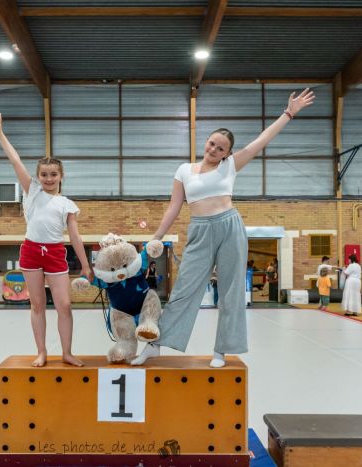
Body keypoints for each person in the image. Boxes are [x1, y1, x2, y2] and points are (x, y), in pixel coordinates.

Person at [132, 88, 315, 368]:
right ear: (206, 141)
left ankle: (222, 350)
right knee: (184, 289)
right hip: (200, 230)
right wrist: (156, 237)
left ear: (227, 153)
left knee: (231, 290)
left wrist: (288, 113)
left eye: (221, 148)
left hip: (230, 225)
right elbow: (174, 207)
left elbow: (260, 142)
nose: (214, 150)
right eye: (212, 143)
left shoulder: (230, 166)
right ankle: (155, 346)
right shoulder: (184, 170)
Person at [0, 113, 92, 367]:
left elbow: (74, 236)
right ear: (39, 177)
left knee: (65, 305)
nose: (49, 179)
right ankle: (41, 351)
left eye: (53, 174)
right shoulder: (33, 191)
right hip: (30, 251)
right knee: (37, 304)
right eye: (45, 174)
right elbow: (15, 161)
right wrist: (1, 135)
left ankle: (67, 352)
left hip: (55, 253)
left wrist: (85, 265)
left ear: (61, 176)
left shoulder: (66, 204)